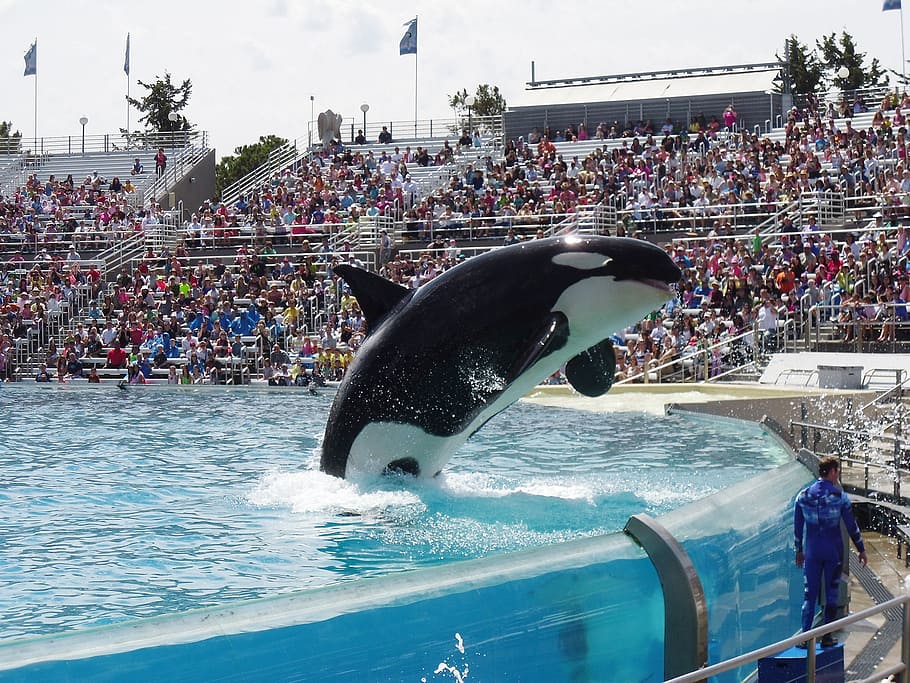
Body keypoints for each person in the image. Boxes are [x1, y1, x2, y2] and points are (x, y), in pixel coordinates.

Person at [794, 456, 867, 647]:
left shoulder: (803, 496)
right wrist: (861, 549)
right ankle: (827, 637)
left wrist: (798, 550)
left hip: (812, 552)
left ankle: (805, 638)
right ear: (832, 472)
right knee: (831, 594)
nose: (838, 475)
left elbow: (797, 527)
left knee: (809, 595)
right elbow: (852, 527)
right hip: (833, 552)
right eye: (838, 472)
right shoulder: (839, 497)